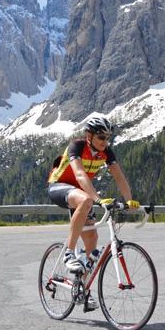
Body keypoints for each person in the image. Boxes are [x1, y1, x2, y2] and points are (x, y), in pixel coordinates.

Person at [47, 116, 140, 274]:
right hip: (59, 186)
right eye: (101, 137)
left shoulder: (106, 152)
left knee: (92, 241)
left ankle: (81, 292)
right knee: (87, 199)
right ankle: (69, 253)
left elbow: (119, 176)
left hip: (81, 193)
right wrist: (98, 200)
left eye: (108, 138)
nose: (105, 141)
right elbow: (80, 174)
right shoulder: (76, 146)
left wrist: (129, 200)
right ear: (89, 136)